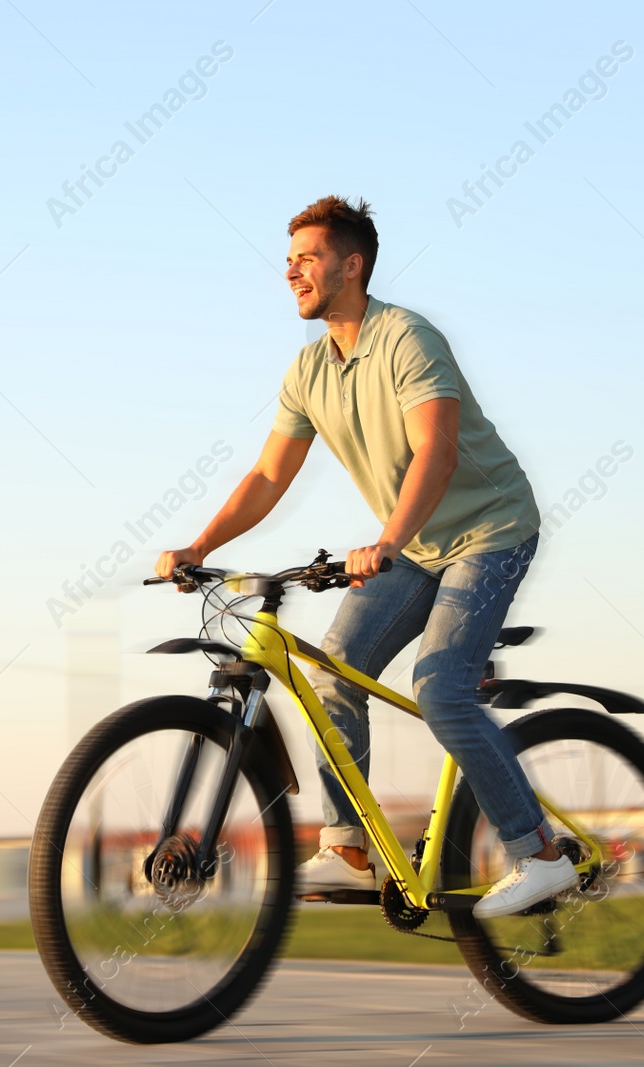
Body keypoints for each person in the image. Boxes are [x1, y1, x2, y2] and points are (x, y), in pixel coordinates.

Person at [154, 195, 574, 918]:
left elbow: (436, 453)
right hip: (416, 542)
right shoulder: (309, 369)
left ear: (352, 265)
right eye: (287, 262)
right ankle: (348, 846)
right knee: (336, 671)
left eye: (307, 258)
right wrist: (199, 545)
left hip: (492, 529)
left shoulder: (408, 339)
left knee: (440, 689)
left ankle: (539, 851)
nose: (291, 272)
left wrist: (383, 542)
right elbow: (267, 477)